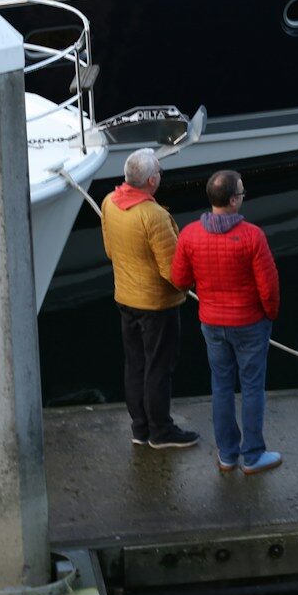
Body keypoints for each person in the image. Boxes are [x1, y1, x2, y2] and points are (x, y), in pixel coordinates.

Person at [172, 169, 283, 474]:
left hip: (212, 322)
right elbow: (269, 287)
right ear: (233, 200)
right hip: (249, 323)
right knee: (251, 388)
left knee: (221, 387)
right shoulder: (252, 236)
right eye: (243, 193)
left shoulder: (190, 234)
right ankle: (253, 455)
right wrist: (270, 314)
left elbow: (179, 279)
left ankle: (227, 455)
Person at [102, 148, 197, 449]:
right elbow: (174, 272)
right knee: (159, 367)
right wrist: (192, 285)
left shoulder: (109, 202)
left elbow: (109, 251)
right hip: (156, 305)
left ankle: (140, 427)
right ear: (152, 180)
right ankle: (161, 430)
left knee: (135, 364)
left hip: (125, 298)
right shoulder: (153, 215)